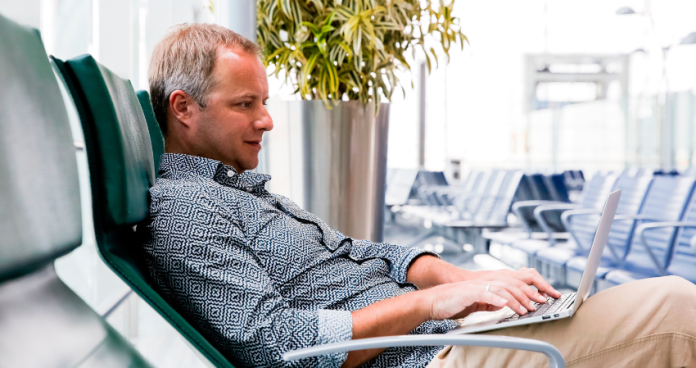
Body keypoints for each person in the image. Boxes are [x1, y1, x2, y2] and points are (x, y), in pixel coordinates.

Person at [141, 23, 696, 368]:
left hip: (445, 337)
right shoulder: (187, 211)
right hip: (431, 357)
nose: (265, 120)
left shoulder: (240, 192)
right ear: (184, 108)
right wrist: (428, 304)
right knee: (675, 309)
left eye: (263, 101)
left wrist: (462, 280)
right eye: (245, 105)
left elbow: (360, 251)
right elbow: (277, 348)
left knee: (662, 312)